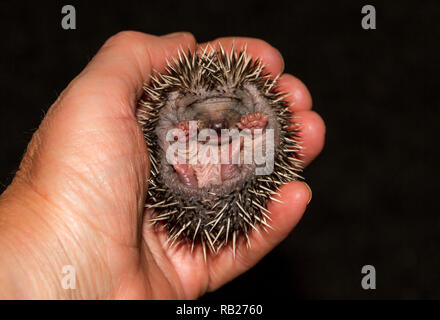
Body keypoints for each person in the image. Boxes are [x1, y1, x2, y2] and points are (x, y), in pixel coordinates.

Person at [0, 31, 325, 299]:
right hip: (212, 168)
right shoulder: (191, 111)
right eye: (205, 114)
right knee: (225, 154)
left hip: (218, 168)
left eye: (225, 113)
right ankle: (210, 161)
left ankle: (205, 163)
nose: (215, 123)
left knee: (229, 156)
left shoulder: (189, 110)